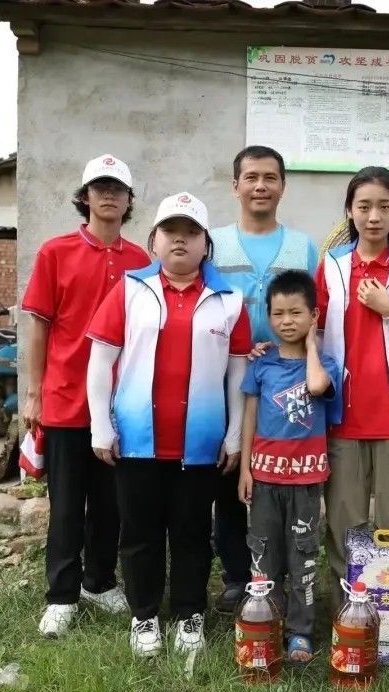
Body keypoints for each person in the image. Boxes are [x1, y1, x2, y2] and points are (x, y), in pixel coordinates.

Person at [85, 192, 252, 658]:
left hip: (200, 442)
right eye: (170, 231)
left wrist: (234, 435)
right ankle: (144, 616)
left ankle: (189, 614)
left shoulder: (229, 300)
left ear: (206, 244)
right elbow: (101, 361)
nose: (180, 240)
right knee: (139, 533)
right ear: (153, 241)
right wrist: (100, 426)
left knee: (192, 533)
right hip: (137, 439)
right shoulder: (129, 290)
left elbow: (238, 374)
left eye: (192, 232)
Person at [20, 154, 150, 638]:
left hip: (122, 405)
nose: (109, 195)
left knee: (111, 504)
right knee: (68, 505)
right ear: (85, 197)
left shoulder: (142, 262)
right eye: (100, 188)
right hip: (66, 399)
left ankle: (99, 581)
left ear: (129, 200)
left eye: (118, 189)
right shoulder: (55, 252)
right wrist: (33, 394)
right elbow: (38, 327)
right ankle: (62, 595)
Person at [314, 166, 389, 612]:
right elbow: (313, 331)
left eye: (384, 206)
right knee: (344, 529)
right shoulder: (332, 266)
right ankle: (347, 620)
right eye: (364, 206)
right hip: (342, 418)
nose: (373, 216)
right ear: (349, 211)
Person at [209, 145, 320, 613]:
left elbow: (315, 312)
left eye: (270, 177)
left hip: (285, 382)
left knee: (281, 481)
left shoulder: (302, 247)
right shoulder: (214, 244)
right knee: (231, 474)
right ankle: (239, 576)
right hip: (223, 376)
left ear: (282, 187)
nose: (260, 186)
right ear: (235, 186)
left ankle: (291, 577)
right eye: (251, 177)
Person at [237, 270, 341, 665]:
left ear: (313, 316)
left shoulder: (325, 364)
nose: (286, 321)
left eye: (296, 313)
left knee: (303, 559)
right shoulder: (261, 365)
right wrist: (245, 469)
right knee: (264, 556)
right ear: (268, 317)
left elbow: (316, 388)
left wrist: (311, 346)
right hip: (264, 479)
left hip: (305, 482)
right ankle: (267, 623)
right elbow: (249, 416)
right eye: (278, 313)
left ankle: (300, 632)